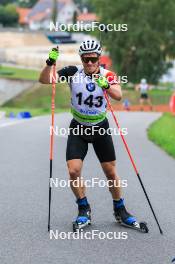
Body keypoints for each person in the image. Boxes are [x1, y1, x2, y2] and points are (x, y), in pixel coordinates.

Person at [39, 40, 137, 229]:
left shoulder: (107, 75)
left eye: (93, 59)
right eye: (86, 59)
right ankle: (84, 208)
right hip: (79, 127)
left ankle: (120, 209)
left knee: (110, 172)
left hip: (100, 127)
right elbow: (45, 80)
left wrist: (105, 85)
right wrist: (49, 63)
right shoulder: (72, 72)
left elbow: (118, 95)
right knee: (73, 170)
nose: (90, 63)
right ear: (81, 59)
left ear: (99, 59)